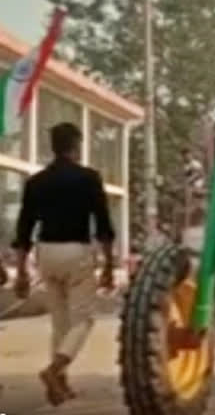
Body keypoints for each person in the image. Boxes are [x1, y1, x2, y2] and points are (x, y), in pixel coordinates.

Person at [11, 122, 115, 406]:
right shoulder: (89, 178)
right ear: (76, 145)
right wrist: (108, 263)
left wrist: (21, 270)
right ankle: (55, 370)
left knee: (60, 323)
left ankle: (59, 386)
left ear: (53, 146)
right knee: (83, 320)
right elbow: (103, 224)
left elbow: (24, 227)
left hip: (46, 253)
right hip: (76, 252)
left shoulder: (36, 182)